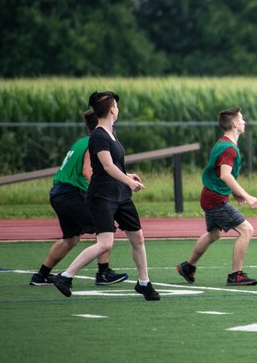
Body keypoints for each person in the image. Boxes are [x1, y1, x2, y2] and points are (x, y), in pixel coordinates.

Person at [51, 91, 159, 301]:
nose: (118, 109)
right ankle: (65, 276)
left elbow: (111, 166)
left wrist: (127, 175)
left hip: (120, 195)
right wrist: (128, 181)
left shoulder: (111, 133)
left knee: (138, 237)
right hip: (102, 197)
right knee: (105, 243)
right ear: (112, 109)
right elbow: (107, 166)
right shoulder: (98, 136)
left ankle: (144, 283)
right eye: (116, 106)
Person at [29, 109, 124, 287]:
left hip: (59, 193)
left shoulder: (81, 142)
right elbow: (87, 171)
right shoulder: (95, 141)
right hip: (72, 194)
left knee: (71, 238)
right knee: (106, 228)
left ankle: (41, 276)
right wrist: (99, 192)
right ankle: (103, 273)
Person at [175, 108, 257, 287]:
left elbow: (217, 174)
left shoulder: (222, 143)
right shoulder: (229, 148)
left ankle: (188, 267)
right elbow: (225, 175)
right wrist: (247, 195)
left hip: (209, 195)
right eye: (242, 119)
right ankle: (236, 275)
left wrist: (235, 194)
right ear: (235, 124)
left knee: (213, 234)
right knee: (247, 230)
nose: (244, 122)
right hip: (215, 198)